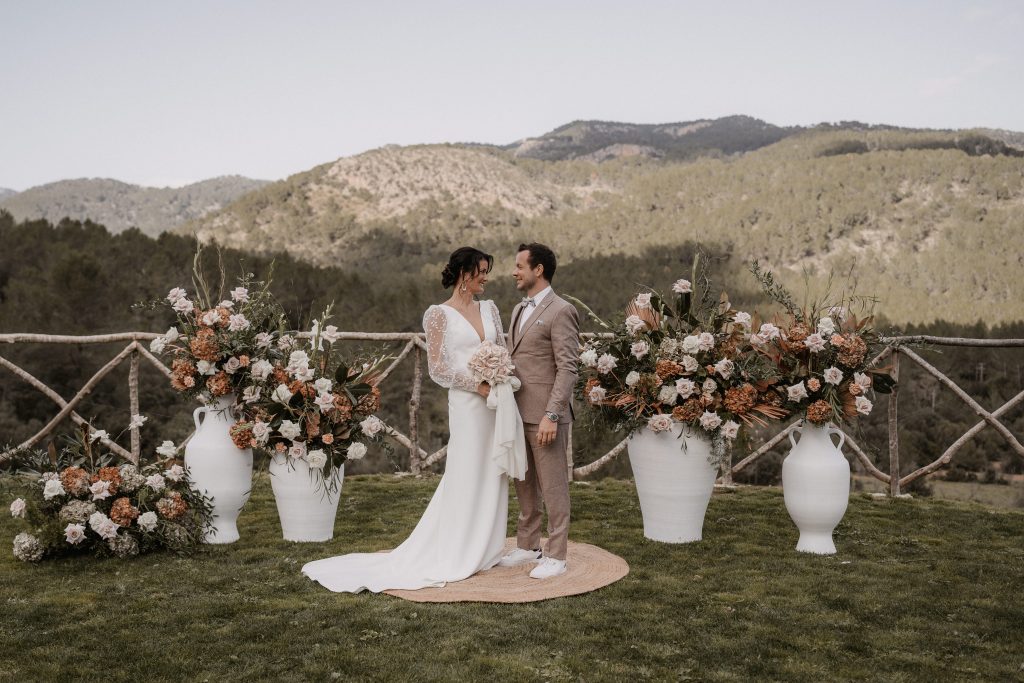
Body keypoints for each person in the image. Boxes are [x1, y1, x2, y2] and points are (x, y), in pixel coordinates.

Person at [301, 247, 513, 592]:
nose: (487, 278)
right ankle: (459, 547)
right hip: (469, 403)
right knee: (467, 468)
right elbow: (439, 368)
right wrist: (479, 385)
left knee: (493, 468)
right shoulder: (438, 315)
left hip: (495, 400)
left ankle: (487, 547)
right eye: (482, 271)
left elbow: (501, 348)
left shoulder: (490, 309)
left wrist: (499, 375)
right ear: (464, 273)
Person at [498, 242, 580, 579]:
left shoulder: (562, 310)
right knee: (525, 482)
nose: (514, 272)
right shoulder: (518, 310)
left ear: (538, 269)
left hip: (546, 416)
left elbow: (569, 368)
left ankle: (557, 555)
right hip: (517, 412)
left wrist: (553, 414)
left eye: (519, 266)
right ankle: (529, 545)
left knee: (554, 485)